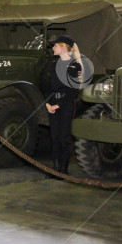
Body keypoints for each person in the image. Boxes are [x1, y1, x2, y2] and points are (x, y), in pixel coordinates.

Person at [45, 35, 82, 178]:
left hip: (65, 105)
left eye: (55, 45)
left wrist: (58, 104)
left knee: (64, 137)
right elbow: (47, 85)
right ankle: (55, 168)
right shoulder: (52, 65)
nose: (53, 48)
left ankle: (64, 169)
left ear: (63, 47)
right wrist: (48, 103)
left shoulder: (75, 66)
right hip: (52, 103)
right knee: (54, 137)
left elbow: (73, 89)